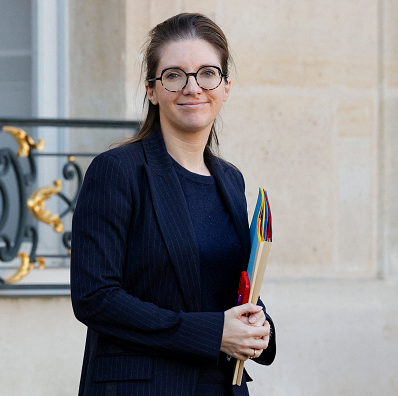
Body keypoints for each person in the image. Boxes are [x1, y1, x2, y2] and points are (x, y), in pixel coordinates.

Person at [71, 12, 276, 396]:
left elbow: (233, 286)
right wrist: (214, 333)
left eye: (207, 73)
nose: (192, 87)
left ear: (226, 86)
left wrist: (257, 327)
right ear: (152, 90)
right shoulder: (116, 171)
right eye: (174, 75)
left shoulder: (230, 180)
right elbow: (94, 298)